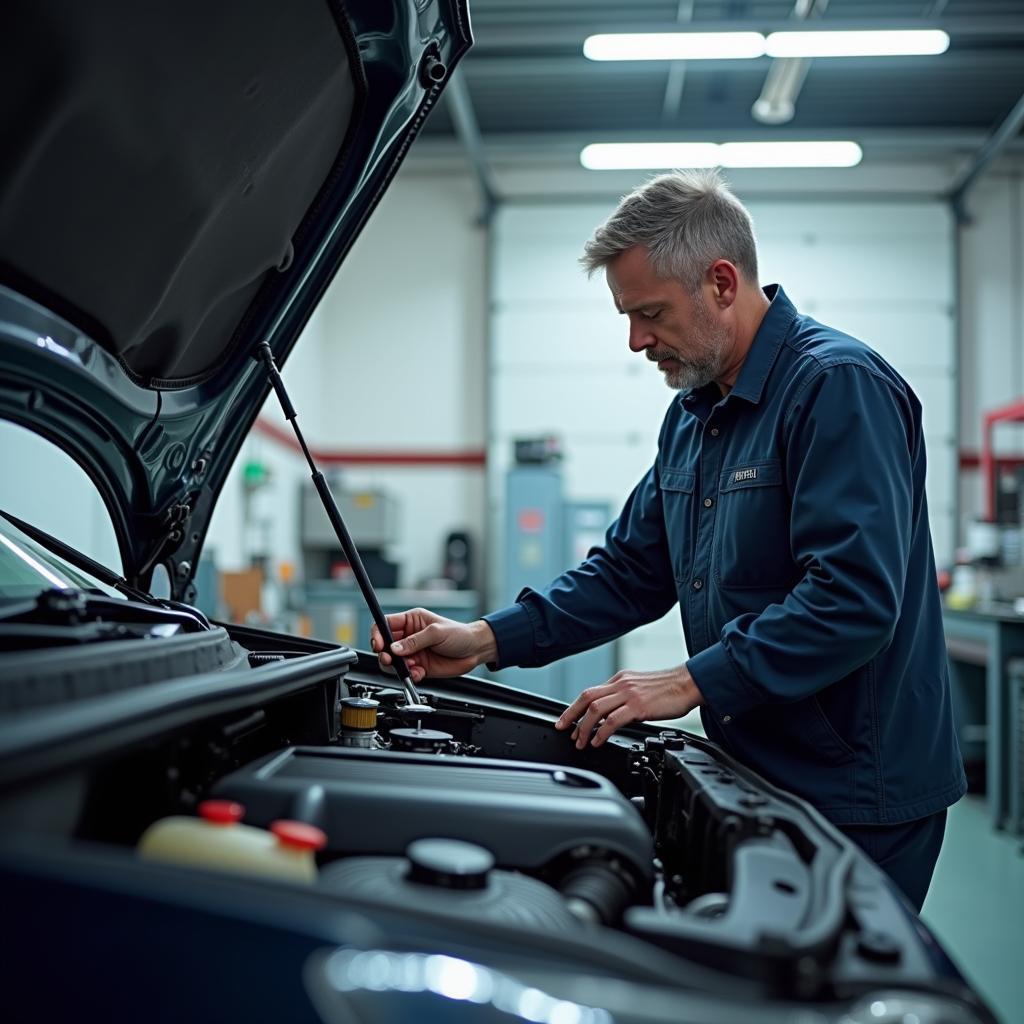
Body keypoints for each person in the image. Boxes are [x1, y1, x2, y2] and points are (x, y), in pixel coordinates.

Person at [371, 169, 965, 913]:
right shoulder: (692, 413)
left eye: (649, 313)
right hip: (752, 770)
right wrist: (488, 638)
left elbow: (852, 600)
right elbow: (628, 571)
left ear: (722, 282)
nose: (635, 341)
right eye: (627, 316)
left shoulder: (836, 386)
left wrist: (688, 683)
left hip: (855, 791)